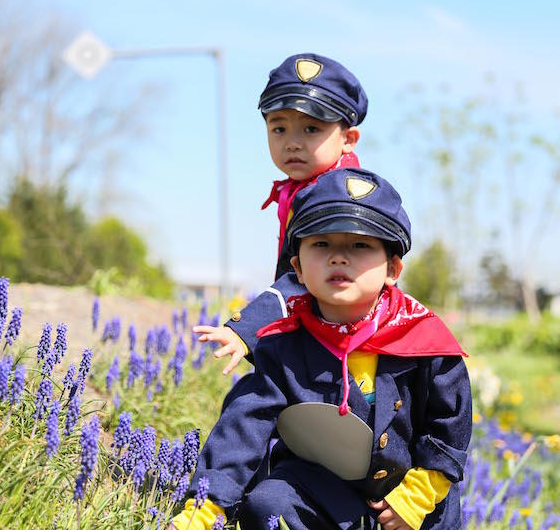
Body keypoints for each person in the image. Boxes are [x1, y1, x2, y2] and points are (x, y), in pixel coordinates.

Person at [171, 168, 472, 530]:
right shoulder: (282, 346)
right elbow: (242, 430)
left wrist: (416, 498)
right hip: (322, 495)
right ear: (296, 267)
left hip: (409, 502)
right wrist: (207, 509)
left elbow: (448, 429)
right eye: (321, 243)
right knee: (268, 504)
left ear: (393, 268)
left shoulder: (426, 342)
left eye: (360, 245)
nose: (338, 257)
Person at [195, 53, 368, 374]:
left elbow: (308, 277)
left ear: (348, 139)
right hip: (316, 332)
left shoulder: (340, 198)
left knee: (253, 409)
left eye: (311, 128)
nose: (292, 143)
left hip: (343, 344)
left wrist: (246, 328)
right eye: (279, 129)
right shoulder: (305, 188)